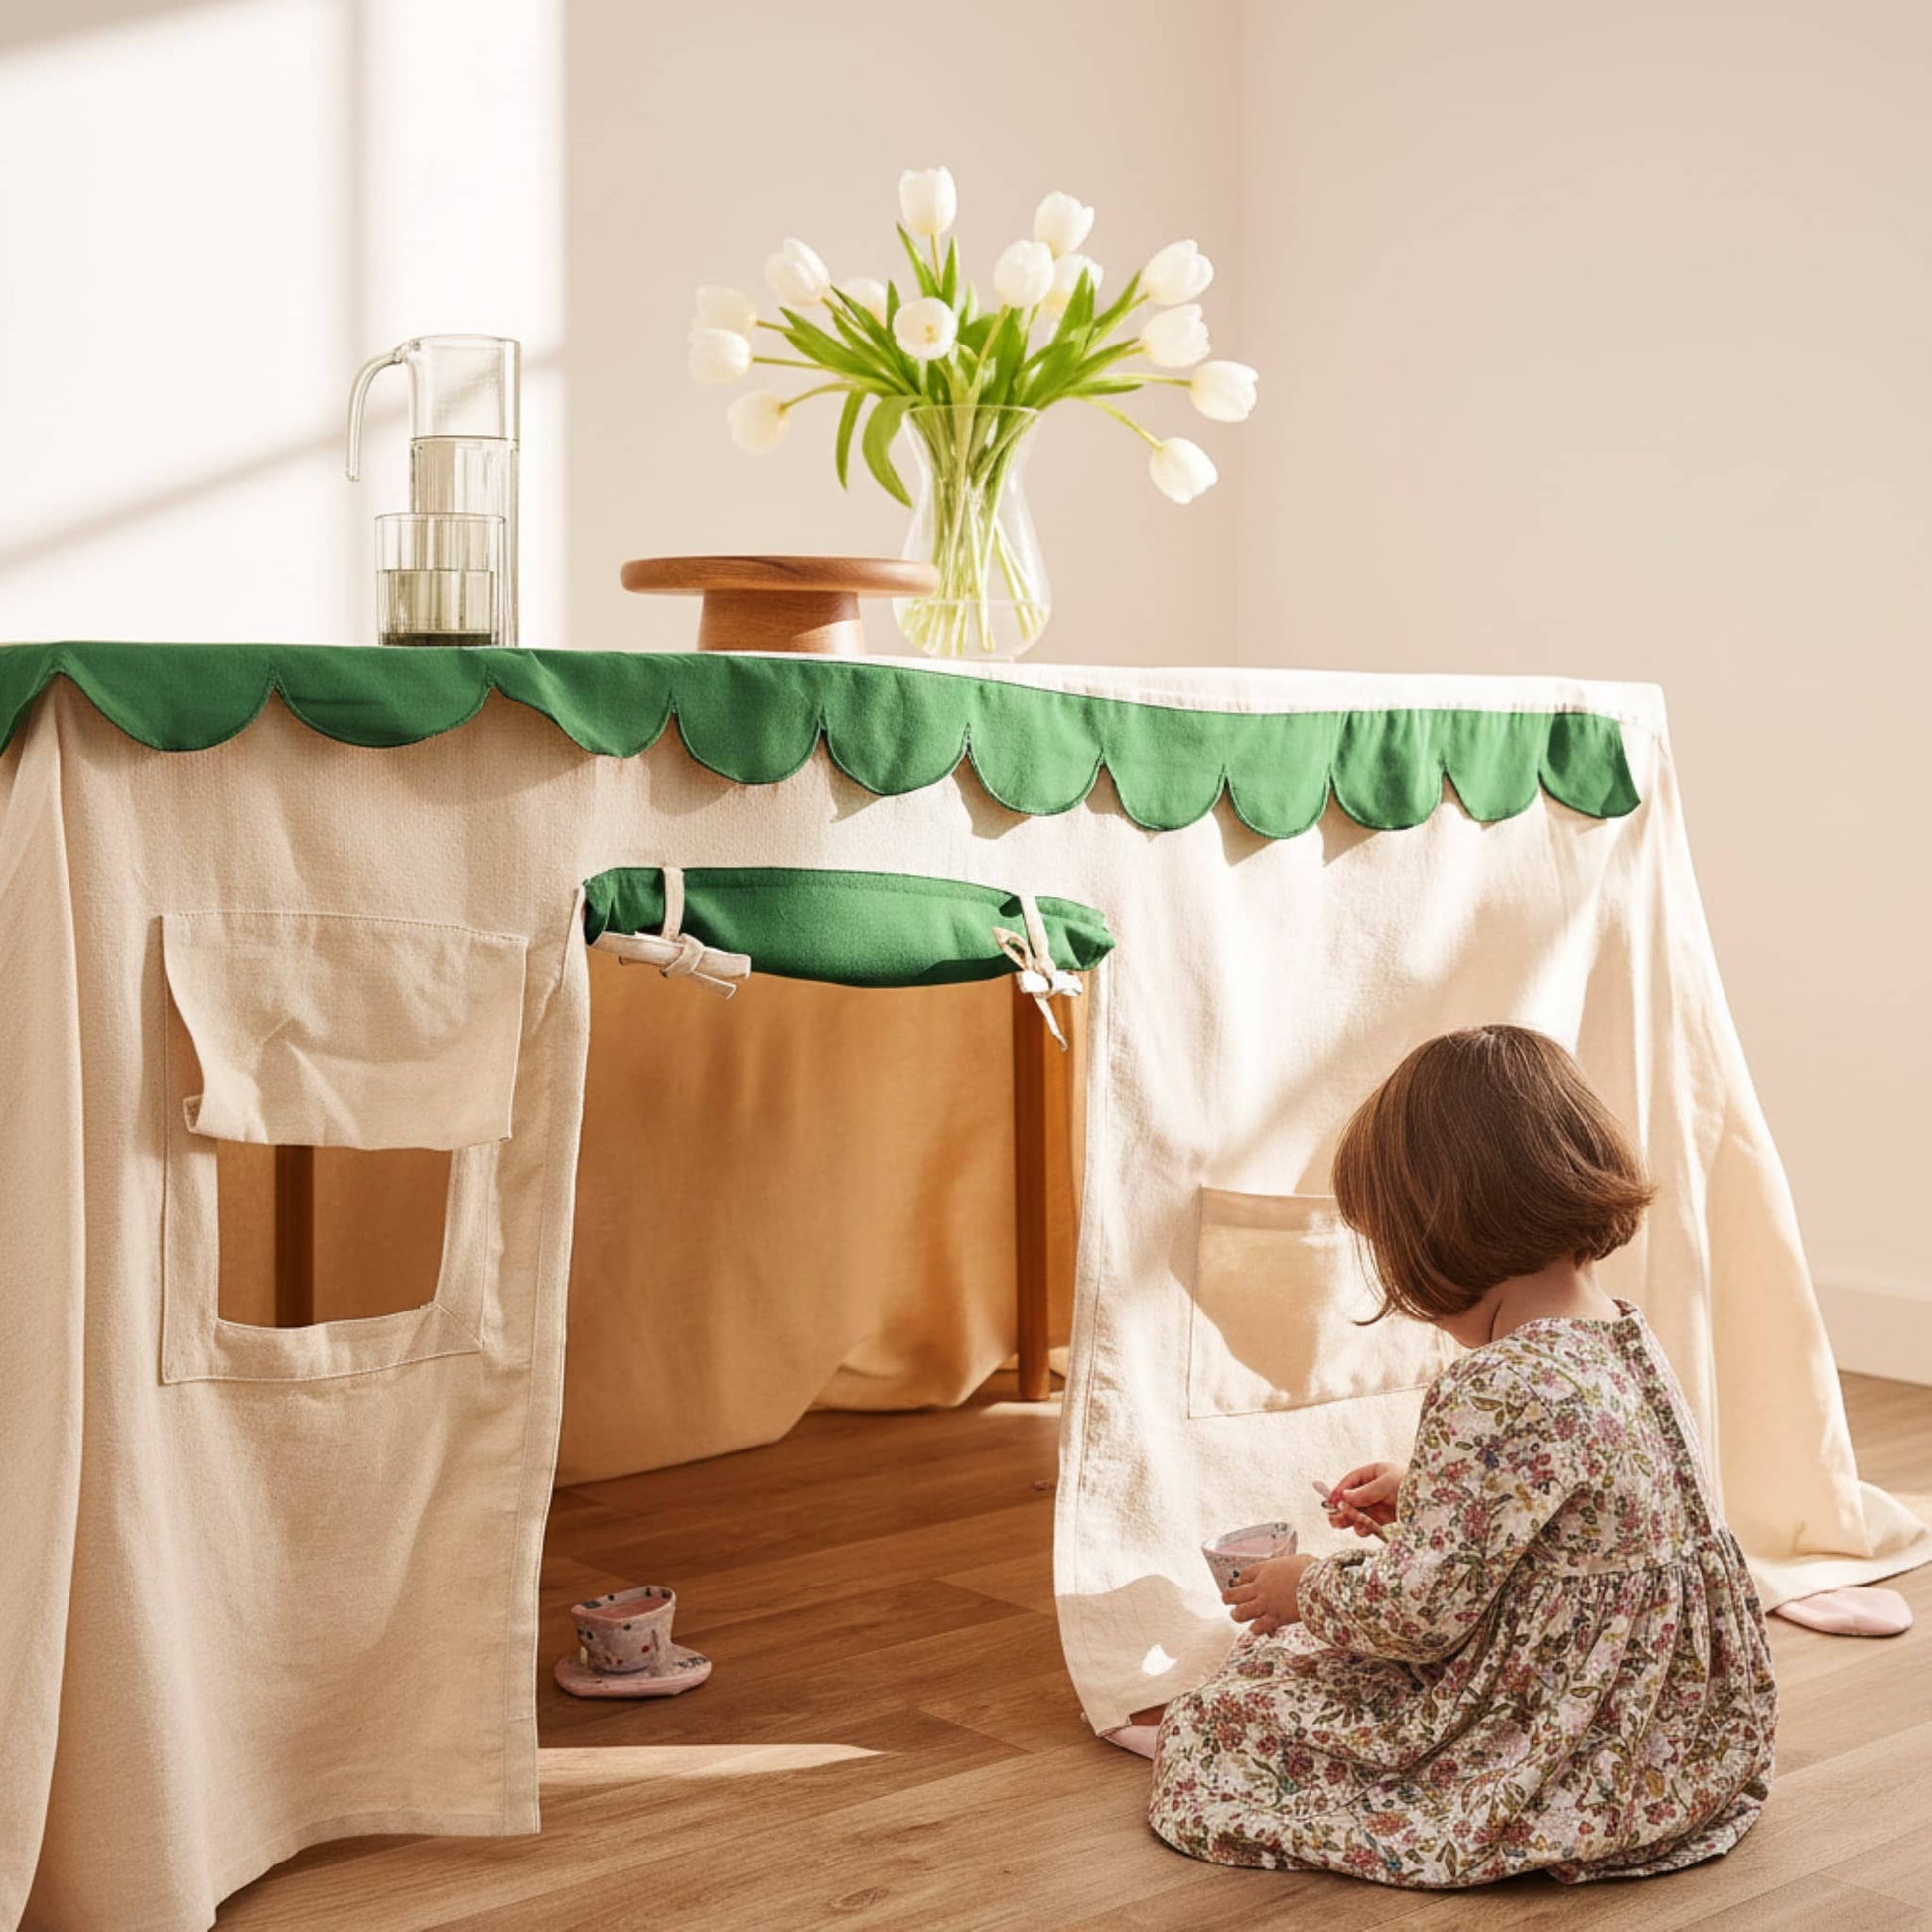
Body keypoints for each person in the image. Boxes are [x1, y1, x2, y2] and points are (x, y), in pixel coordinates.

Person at [1147, 1025, 1777, 1886]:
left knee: (1226, 1717)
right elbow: (1599, 1505)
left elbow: (1416, 1615)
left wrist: (1304, 1589)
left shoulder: (1495, 1383)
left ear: (1440, 1232)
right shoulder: (1626, 1337)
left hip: (1560, 1741)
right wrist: (1429, 1492)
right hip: (1679, 1748)